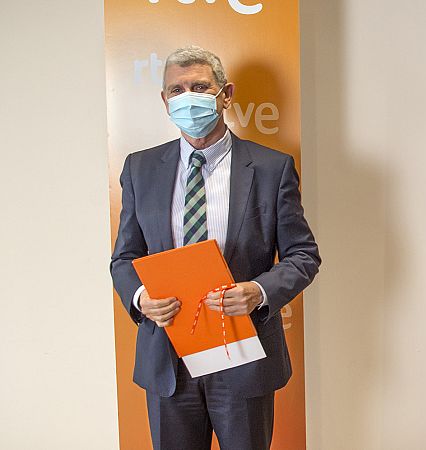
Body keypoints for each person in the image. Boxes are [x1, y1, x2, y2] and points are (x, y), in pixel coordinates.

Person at [110, 46, 321, 450]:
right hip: (168, 358)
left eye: (200, 86)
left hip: (243, 357)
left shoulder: (271, 168)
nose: (188, 97)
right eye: (177, 90)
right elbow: (124, 257)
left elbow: (303, 255)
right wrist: (140, 298)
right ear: (165, 101)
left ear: (226, 95)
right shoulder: (139, 169)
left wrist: (258, 291)